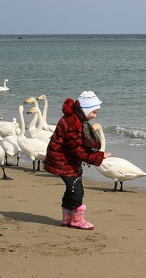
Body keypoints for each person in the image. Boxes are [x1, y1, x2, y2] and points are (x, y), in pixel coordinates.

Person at [44, 91, 111, 230]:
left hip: (64, 159)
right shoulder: (73, 122)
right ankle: (76, 220)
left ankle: (67, 218)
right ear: (85, 109)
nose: (95, 116)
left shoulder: (74, 119)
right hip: (63, 161)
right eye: (93, 112)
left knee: (71, 188)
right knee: (77, 189)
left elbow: (76, 147)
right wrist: (97, 157)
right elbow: (77, 150)